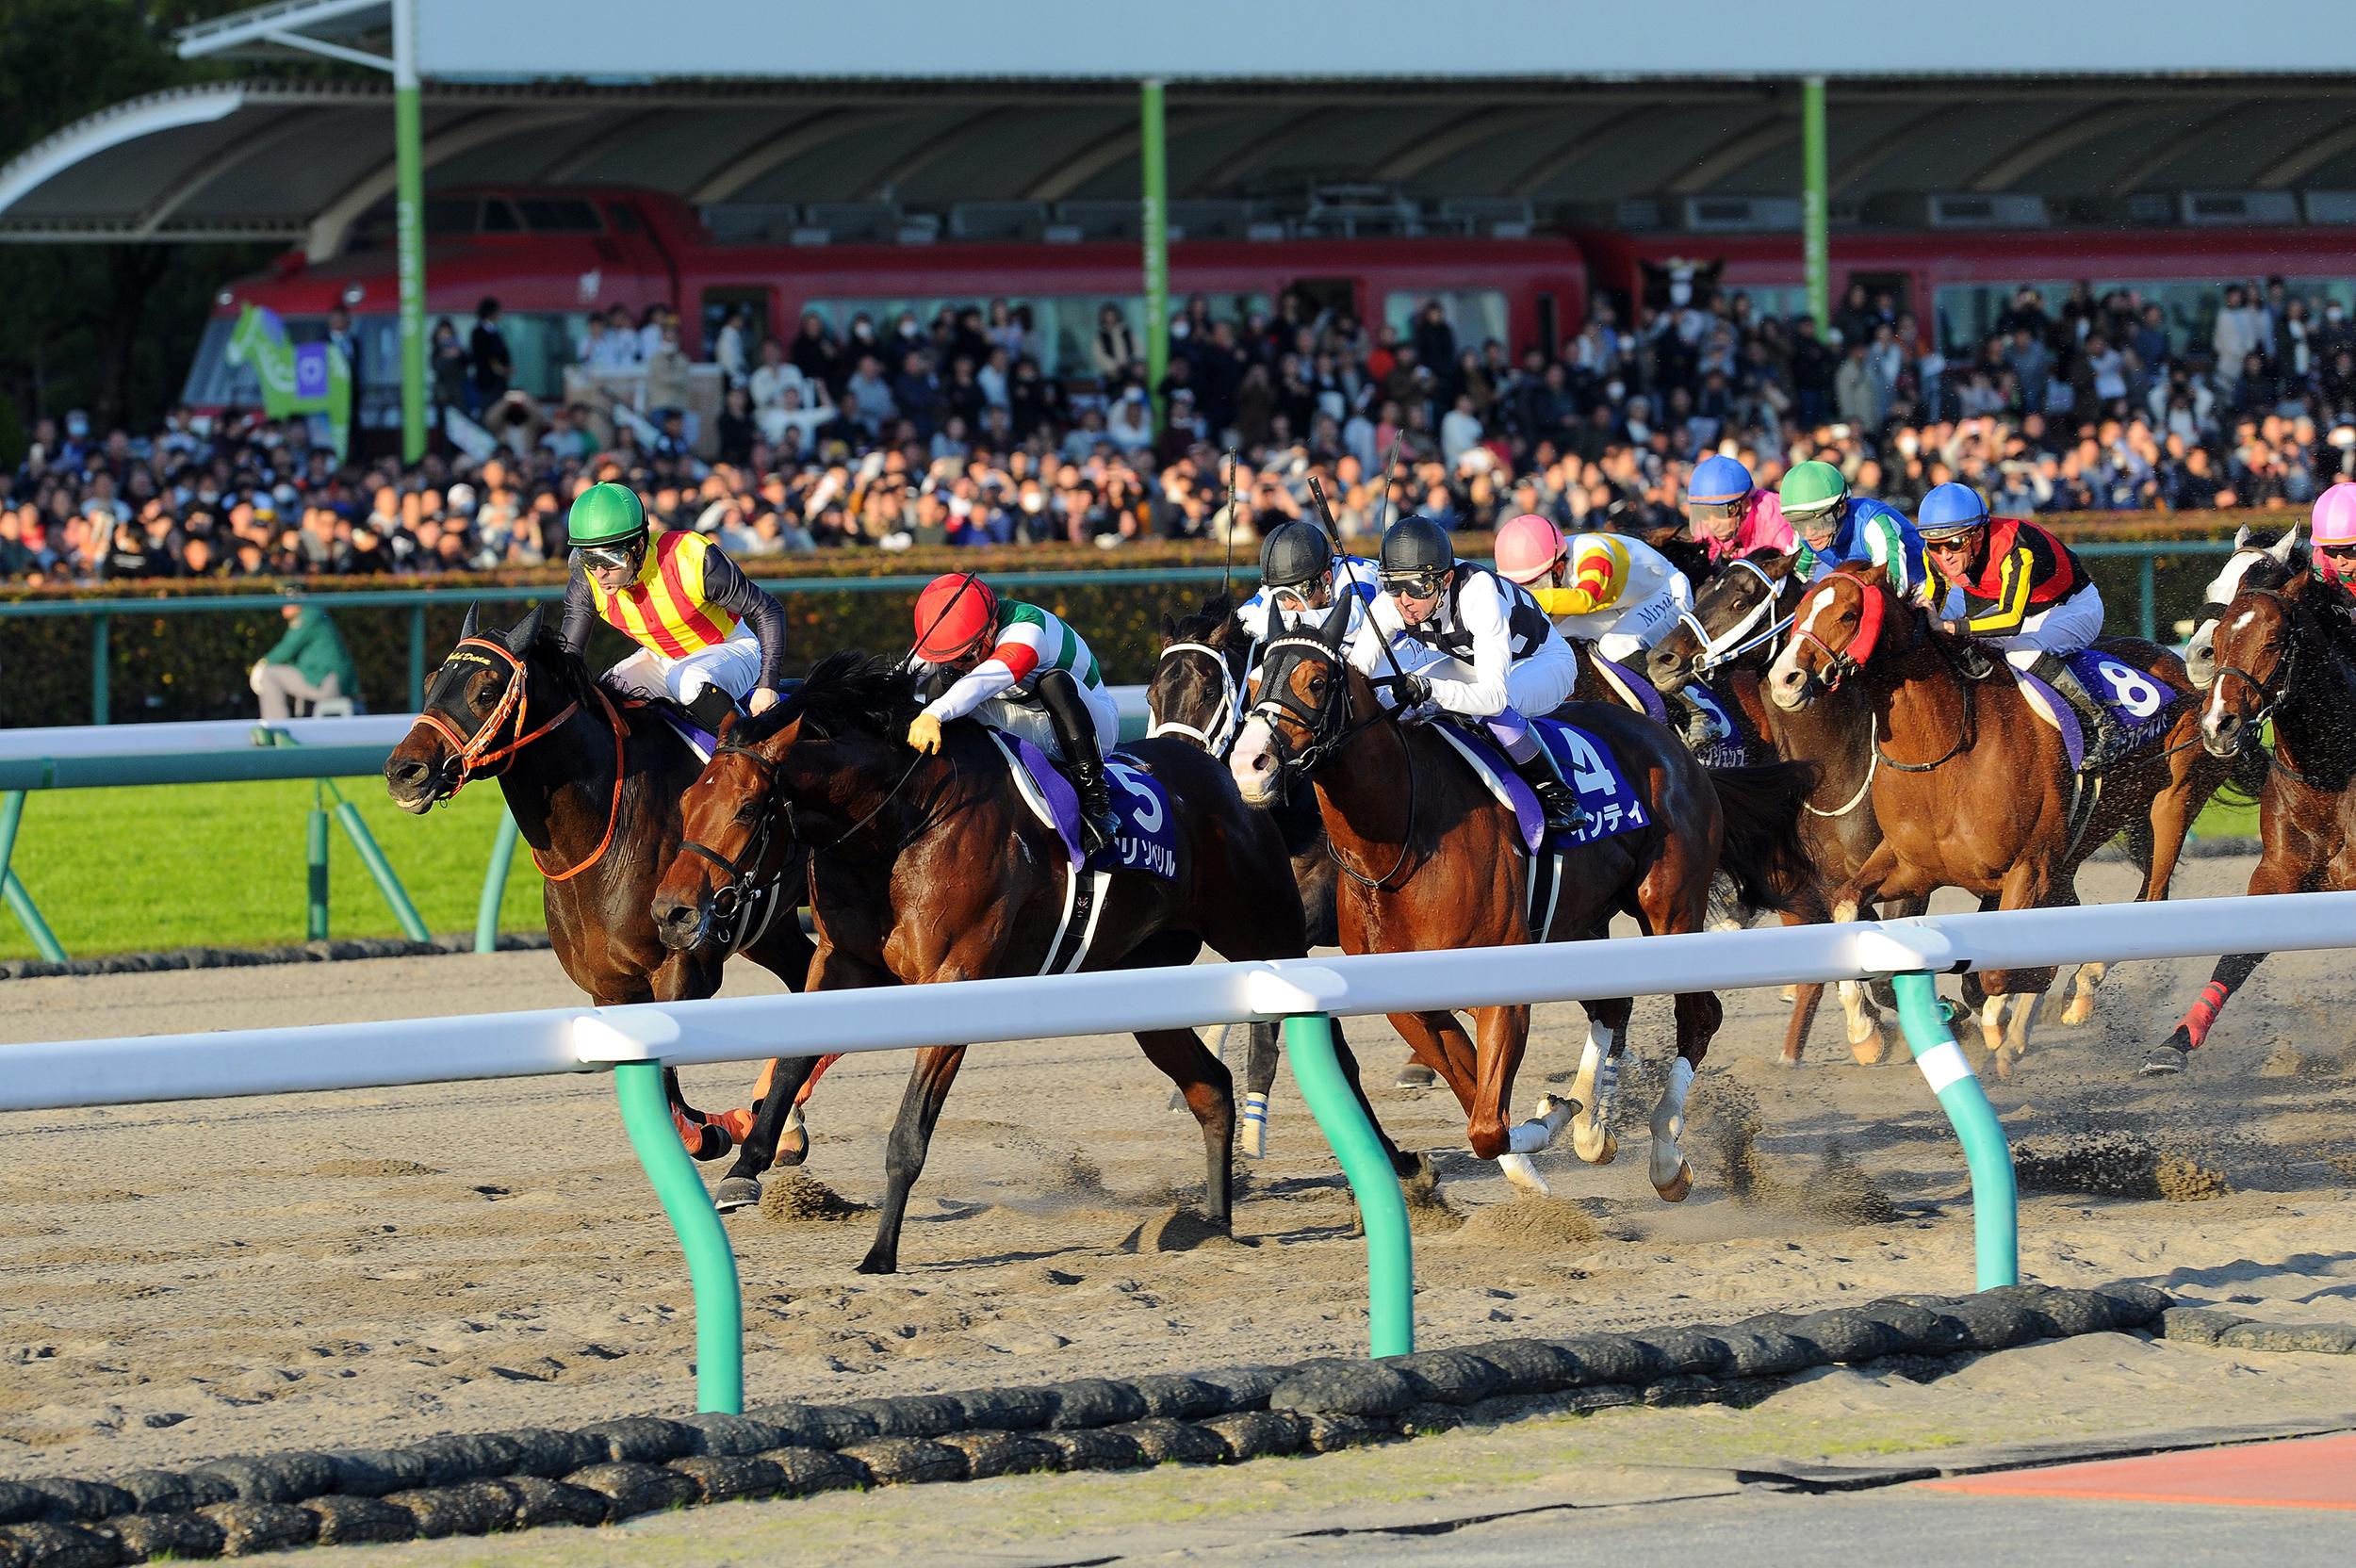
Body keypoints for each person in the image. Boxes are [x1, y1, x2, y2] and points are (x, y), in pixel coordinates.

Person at [1361, 514, 1586, 835]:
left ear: (1446, 579)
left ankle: (1558, 798)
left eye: (1417, 586)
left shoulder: (1477, 592)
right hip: (1473, 663)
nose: (1404, 601)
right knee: (1394, 703)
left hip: (1543, 662)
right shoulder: (1392, 603)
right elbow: (1355, 671)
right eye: (1393, 585)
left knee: (1487, 711)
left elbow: (1494, 698)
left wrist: (1430, 689)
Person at [904, 572, 1122, 853]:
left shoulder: (1029, 631)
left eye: (966, 656)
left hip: (1089, 728)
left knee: (1053, 683)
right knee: (942, 679)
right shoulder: (965, 631)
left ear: (992, 628)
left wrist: (934, 713)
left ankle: (1097, 802)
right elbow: (904, 673)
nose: (961, 664)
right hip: (1024, 716)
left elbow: (983, 681)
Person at [1915, 482, 2125, 771]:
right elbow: (1933, 599)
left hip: (2076, 606)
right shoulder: (1935, 556)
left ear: (1977, 535)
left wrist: (1951, 627)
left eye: (1954, 543)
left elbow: (2012, 620)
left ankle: (2100, 723)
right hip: (2029, 610)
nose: (1944, 555)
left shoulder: (2016, 546)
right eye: (1934, 544)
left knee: (2019, 651)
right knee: (1964, 648)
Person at [556, 481, 786, 735]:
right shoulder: (585, 580)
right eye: (589, 558)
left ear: (639, 547)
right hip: (662, 658)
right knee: (606, 693)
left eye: (611, 559)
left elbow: (768, 610)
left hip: (732, 648)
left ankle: (755, 744)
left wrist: (768, 685)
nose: (600, 573)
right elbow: (568, 656)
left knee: (687, 680)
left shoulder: (691, 558)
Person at [1492, 512, 1691, 662]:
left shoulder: (1594, 553)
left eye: (1536, 583)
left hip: (1666, 592)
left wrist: (1524, 597)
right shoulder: (1554, 559)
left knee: (1616, 646)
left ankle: (1689, 708)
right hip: (1618, 604)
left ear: (1559, 568)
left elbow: (1585, 599)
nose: (1534, 589)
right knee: (1556, 642)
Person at [1777, 460, 1928, 599]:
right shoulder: (1807, 536)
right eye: (1800, 523)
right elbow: (1797, 585)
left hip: (1923, 588)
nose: (1810, 533)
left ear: (1841, 508)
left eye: (1819, 522)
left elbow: (1893, 590)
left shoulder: (1873, 523)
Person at [1235, 517, 1381, 643]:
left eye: (1300, 590)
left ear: (1327, 578)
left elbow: (1353, 617)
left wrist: (1296, 620)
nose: (1289, 603)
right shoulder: (1279, 585)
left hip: (1392, 655)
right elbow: (1244, 613)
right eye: (1281, 593)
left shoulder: (1358, 574)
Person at [250, 584, 357, 720]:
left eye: (285, 600)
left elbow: (286, 649)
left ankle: (276, 727)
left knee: (268, 674)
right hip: (326, 679)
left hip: (327, 682)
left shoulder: (309, 615)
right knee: (280, 672)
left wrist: (262, 664)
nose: (282, 606)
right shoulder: (314, 612)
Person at [1684, 452, 1795, 564]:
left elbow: (1798, 574)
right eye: (1704, 513)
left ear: (1746, 505)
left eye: (1720, 513)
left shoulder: (1777, 524)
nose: (1713, 524)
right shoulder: (1705, 525)